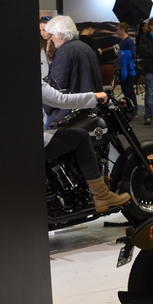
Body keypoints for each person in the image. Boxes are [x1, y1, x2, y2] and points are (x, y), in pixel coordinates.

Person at [41, 81, 129, 211]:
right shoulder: (30, 77)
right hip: (35, 141)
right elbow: (60, 99)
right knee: (82, 136)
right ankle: (101, 195)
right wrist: (94, 97)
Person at [44, 15, 103, 125]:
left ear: (60, 35)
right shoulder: (86, 48)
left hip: (67, 115)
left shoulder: (64, 52)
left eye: (52, 35)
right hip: (88, 111)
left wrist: (48, 108)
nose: (51, 38)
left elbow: (57, 86)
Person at [39, 16, 55, 80]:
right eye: (40, 30)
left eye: (44, 30)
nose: (42, 33)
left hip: (53, 78)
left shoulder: (57, 44)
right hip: (43, 79)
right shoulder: (41, 43)